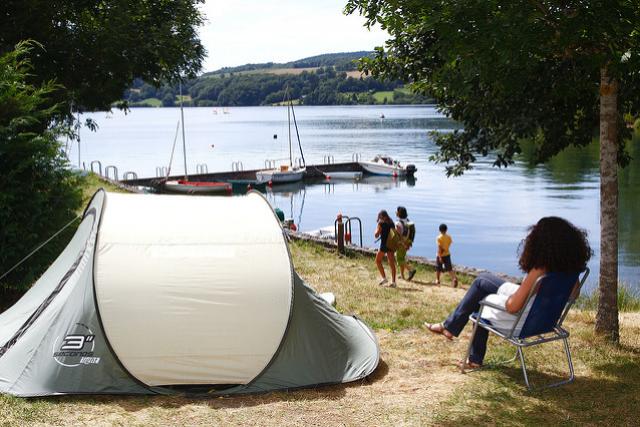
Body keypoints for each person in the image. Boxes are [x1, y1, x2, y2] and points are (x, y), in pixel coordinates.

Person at [424, 217, 592, 369]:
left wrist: (498, 299)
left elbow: (513, 307)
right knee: (482, 281)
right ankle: (450, 327)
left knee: (481, 303)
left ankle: (470, 353)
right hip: (545, 319)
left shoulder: (539, 271)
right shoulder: (570, 271)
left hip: (523, 323)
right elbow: (573, 296)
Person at [374, 210, 397, 287]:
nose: (379, 218)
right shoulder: (391, 223)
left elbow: (376, 235)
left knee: (378, 261)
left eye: (380, 217)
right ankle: (394, 282)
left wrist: (377, 227)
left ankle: (384, 278)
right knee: (391, 264)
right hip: (391, 245)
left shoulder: (381, 224)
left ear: (382, 217)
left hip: (384, 245)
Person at [395, 206, 417, 281]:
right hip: (408, 242)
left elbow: (397, 235)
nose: (395, 212)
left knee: (399, 259)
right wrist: (408, 244)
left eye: (396, 211)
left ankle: (411, 269)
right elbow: (411, 233)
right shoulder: (408, 221)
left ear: (399, 213)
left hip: (401, 244)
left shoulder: (398, 223)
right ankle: (402, 275)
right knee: (402, 258)